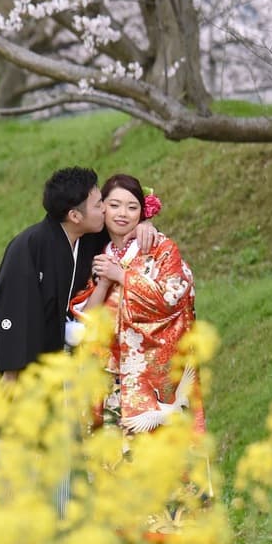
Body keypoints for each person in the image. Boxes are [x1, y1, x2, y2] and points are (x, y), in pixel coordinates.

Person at [70, 173, 204, 435]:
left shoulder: (160, 247)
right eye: (115, 205)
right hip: (108, 374)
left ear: (143, 213)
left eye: (132, 207)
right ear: (102, 208)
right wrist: (106, 282)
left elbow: (172, 298)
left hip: (153, 373)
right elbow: (86, 319)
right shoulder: (96, 252)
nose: (123, 214)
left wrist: (122, 276)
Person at [0, 167, 110, 381]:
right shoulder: (29, 246)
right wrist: (12, 372)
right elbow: (15, 308)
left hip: (70, 360)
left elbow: (123, 227)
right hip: (32, 366)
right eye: (99, 205)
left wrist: (144, 224)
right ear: (75, 215)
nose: (106, 209)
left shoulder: (87, 236)